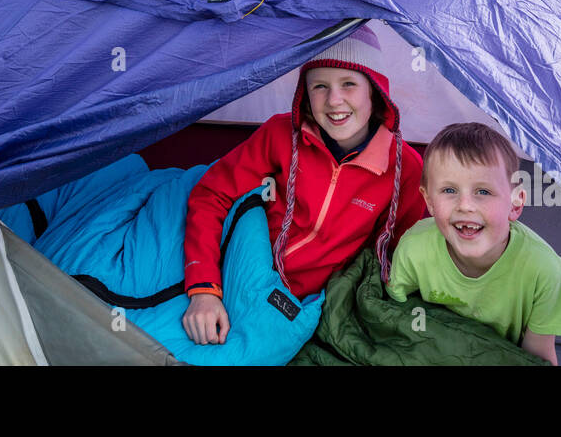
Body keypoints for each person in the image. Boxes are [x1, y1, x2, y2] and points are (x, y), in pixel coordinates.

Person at [181, 25, 425, 345]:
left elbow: (402, 252)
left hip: (311, 301)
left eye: (349, 84)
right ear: (305, 93)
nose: (334, 100)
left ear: (375, 91)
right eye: (320, 86)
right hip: (238, 268)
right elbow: (212, 192)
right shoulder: (280, 134)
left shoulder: (404, 166)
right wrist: (203, 289)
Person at [386, 121, 561, 365]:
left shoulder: (544, 270)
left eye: (483, 192)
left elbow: (537, 357)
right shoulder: (413, 248)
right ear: (429, 202)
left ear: (515, 204)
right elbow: (395, 320)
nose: (465, 205)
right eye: (449, 190)